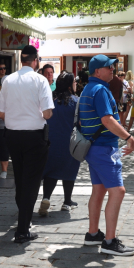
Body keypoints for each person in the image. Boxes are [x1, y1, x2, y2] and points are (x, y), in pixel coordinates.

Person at [0, 45, 54, 243]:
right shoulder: (40, 80)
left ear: (21, 60)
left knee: (20, 177)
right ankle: (22, 229)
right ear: (35, 61)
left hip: (12, 135)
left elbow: (0, 113)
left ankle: (23, 221)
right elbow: (47, 113)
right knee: (32, 181)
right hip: (35, 136)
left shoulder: (8, 80)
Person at [78, 54, 134, 256]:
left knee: (99, 190)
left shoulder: (88, 89)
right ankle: (110, 241)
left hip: (93, 148)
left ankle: (93, 234)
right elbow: (107, 120)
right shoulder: (100, 90)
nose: (113, 69)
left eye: (113, 67)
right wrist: (128, 136)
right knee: (118, 191)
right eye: (108, 67)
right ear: (97, 71)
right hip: (103, 148)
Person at [38, 72, 80, 216]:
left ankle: (46, 198)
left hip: (51, 141)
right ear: (70, 85)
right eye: (74, 81)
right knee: (69, 171)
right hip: (70, 142)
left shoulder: (51, 99)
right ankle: (67, 202)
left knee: (51, 171)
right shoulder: (76, 101)